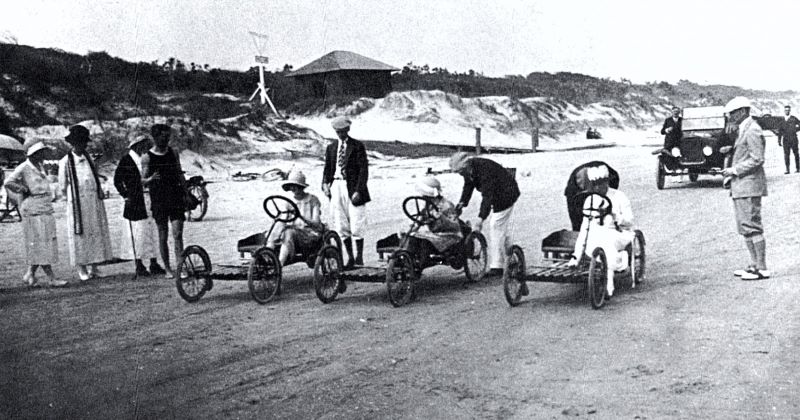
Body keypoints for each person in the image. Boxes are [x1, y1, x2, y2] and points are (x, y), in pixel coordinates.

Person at [4, 139, 67, 287]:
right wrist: (22, 189)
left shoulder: (40, 166)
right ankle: (51, 277)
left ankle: (30, 274)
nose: (42, 155)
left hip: (44, 206)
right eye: (40, 153)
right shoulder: (24, 167)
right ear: (33, 154)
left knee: (43, 241)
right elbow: (8, 182)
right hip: (33, 208)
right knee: (41, 242)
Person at [567, 165, 635, 298]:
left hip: (619, 233)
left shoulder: (619, 196)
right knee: (591, 235)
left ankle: (610, 284)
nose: (598, 188)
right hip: (598, 234)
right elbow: (585, 226)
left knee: (607, 241)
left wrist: (615, 215)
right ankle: (580, 260)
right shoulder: (590, 199)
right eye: (595, 184)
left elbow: (630, 221)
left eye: (601, 183)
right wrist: (577, 255)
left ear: (607, 182)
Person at [721, 97, 770, 280]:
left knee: (752, 226)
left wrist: (734, 170)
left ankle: (762, 267)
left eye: (732, 113)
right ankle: (754, 264)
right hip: (742, 186)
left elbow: (757, 158)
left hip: (749, 185)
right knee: (745, 227)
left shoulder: (753, 129)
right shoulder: (744, 128)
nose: (730, 117)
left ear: (742, 111)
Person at [58, 125, 114, 281]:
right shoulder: (65, 161)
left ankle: (94, 267)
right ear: (73, 143)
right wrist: (71, 199)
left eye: (84, 142)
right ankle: (81, 268)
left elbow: (94, 177)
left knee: (95, 232)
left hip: (92, 201)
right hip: (77, 203)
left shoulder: (89, 159)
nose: (83, 145)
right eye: (80, 142)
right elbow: (62, 185)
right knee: (80, 234)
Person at [449, 152, 520, 276]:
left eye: (460, 171)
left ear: (466, 166)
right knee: (501, 228)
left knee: (496, 225)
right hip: (497, 193)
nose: (459, 174)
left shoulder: (484, 170)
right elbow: (468, 186)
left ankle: (497, 266)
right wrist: (461, 204)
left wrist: (480, 219)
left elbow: (487, 197)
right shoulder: (469, 170)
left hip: (506, 194)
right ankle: (511, 257)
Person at [113, 133, 166, 277]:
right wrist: (125, 195)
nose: (145, 146)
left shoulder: (146, 158)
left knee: (152, 231)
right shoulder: (126, 160)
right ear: (136, 145)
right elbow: (117, 180)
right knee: (138, 233)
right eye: (143, 144)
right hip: (135, 201)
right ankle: (139, 264)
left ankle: (154, 262)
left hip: (149, 198)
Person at [322, 117, 370, 270]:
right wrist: (325, 184)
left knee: (356, 223)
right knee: (341, 224)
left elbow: (363, 170)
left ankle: (359, 257)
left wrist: (359, 190)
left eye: (343, 131)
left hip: (353, 186)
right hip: (336, 186)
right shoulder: (331, 148)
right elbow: (327, 169)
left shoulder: (357, 146)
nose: (341, 134)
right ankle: (350, 258)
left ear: (348, 130)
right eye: (338, 132)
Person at [141, 123, 186, 279]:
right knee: (163, 235)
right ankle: (167, 268)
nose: (166, 140)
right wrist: (151, 179)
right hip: (159, 198)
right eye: (163, 137)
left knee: (178, 233)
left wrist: (186, 192)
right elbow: (141, 180)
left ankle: (180, 266)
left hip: (175, 196)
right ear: (155, 138)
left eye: (168, 137)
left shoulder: (173, 152)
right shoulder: (147, 157)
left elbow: (179, 173)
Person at [266, 171, 324, 266]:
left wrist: (301, 217)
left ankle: (280, 264)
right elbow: (284, 219)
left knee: (289, 232)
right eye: (291, 186)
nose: (292, 189)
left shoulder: (312, 200)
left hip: (310, 234)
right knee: (280, 228)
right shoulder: (289, 202)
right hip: (295, 234)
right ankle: (269, 251)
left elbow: (316, 223)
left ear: (301, 187)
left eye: (295, 186)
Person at [409, 176, 464, 254]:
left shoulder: (447, 205)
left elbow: (453, 224)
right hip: (435, 233)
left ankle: (423, 259)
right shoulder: (427, 205)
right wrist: (413, 227)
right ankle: (409, 257)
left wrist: (441, 217)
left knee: (425, 242)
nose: (422, 196)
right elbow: (420, 219)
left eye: (425, 195)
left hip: (450, 235)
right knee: (412, 237)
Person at [564, 161, 620, 231]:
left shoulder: (611, 179)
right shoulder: (575, 189)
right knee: (578, 225)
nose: (599, 187)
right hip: (576, 189)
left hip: (606, 178)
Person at [776, 104, 800, 174]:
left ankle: (798, 168)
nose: (787, 111)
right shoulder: (782, 120)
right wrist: (779, 140)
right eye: (786, 110)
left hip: (793, 139)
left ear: (790, 111)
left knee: (796, 154)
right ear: (784, 111)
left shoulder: (793, 118)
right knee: (786, 155)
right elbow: (780, 131)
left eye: (788, 110)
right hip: (786, 140)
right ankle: (787, 169)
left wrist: (795, 130)